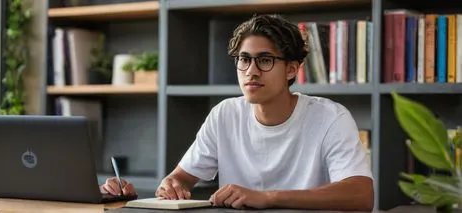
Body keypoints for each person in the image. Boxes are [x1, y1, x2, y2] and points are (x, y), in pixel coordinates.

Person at [101, 14, 374, 211]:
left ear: (292, 69)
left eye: (265, 60)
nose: (251, 71)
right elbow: (182, 177)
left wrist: (268, 197)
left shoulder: (330, 117)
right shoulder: (225, 114)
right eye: (244, 60)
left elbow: (361, 195)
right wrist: (172, 184)